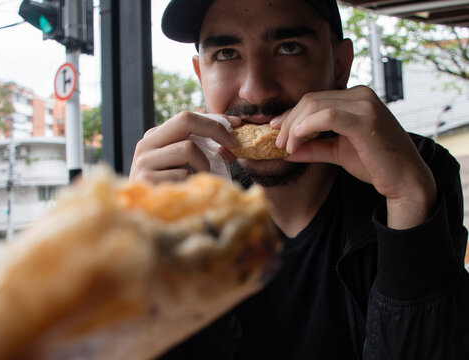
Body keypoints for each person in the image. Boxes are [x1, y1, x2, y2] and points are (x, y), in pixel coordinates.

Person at [130, 0, 469, 358]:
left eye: (289, 48)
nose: (256, 90)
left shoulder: (414, 169)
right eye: (227, 54)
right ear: (201, 75)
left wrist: (409, 200)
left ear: (340, 66)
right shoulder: (181, 202)